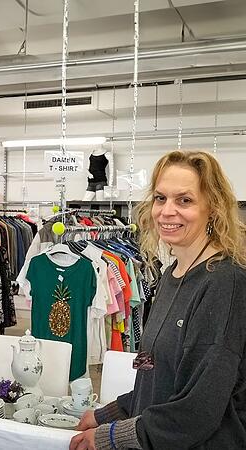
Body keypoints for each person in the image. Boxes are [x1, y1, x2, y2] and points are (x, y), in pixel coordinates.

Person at [70, 150, 246, 450]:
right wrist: (108, 414)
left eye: (184, 200)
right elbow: (156, 375)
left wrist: (111, 437)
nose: (166, 211)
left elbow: (199, 408)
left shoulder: (223, 282)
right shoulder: (172, 273)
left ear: (213, 208)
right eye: (160, 198)